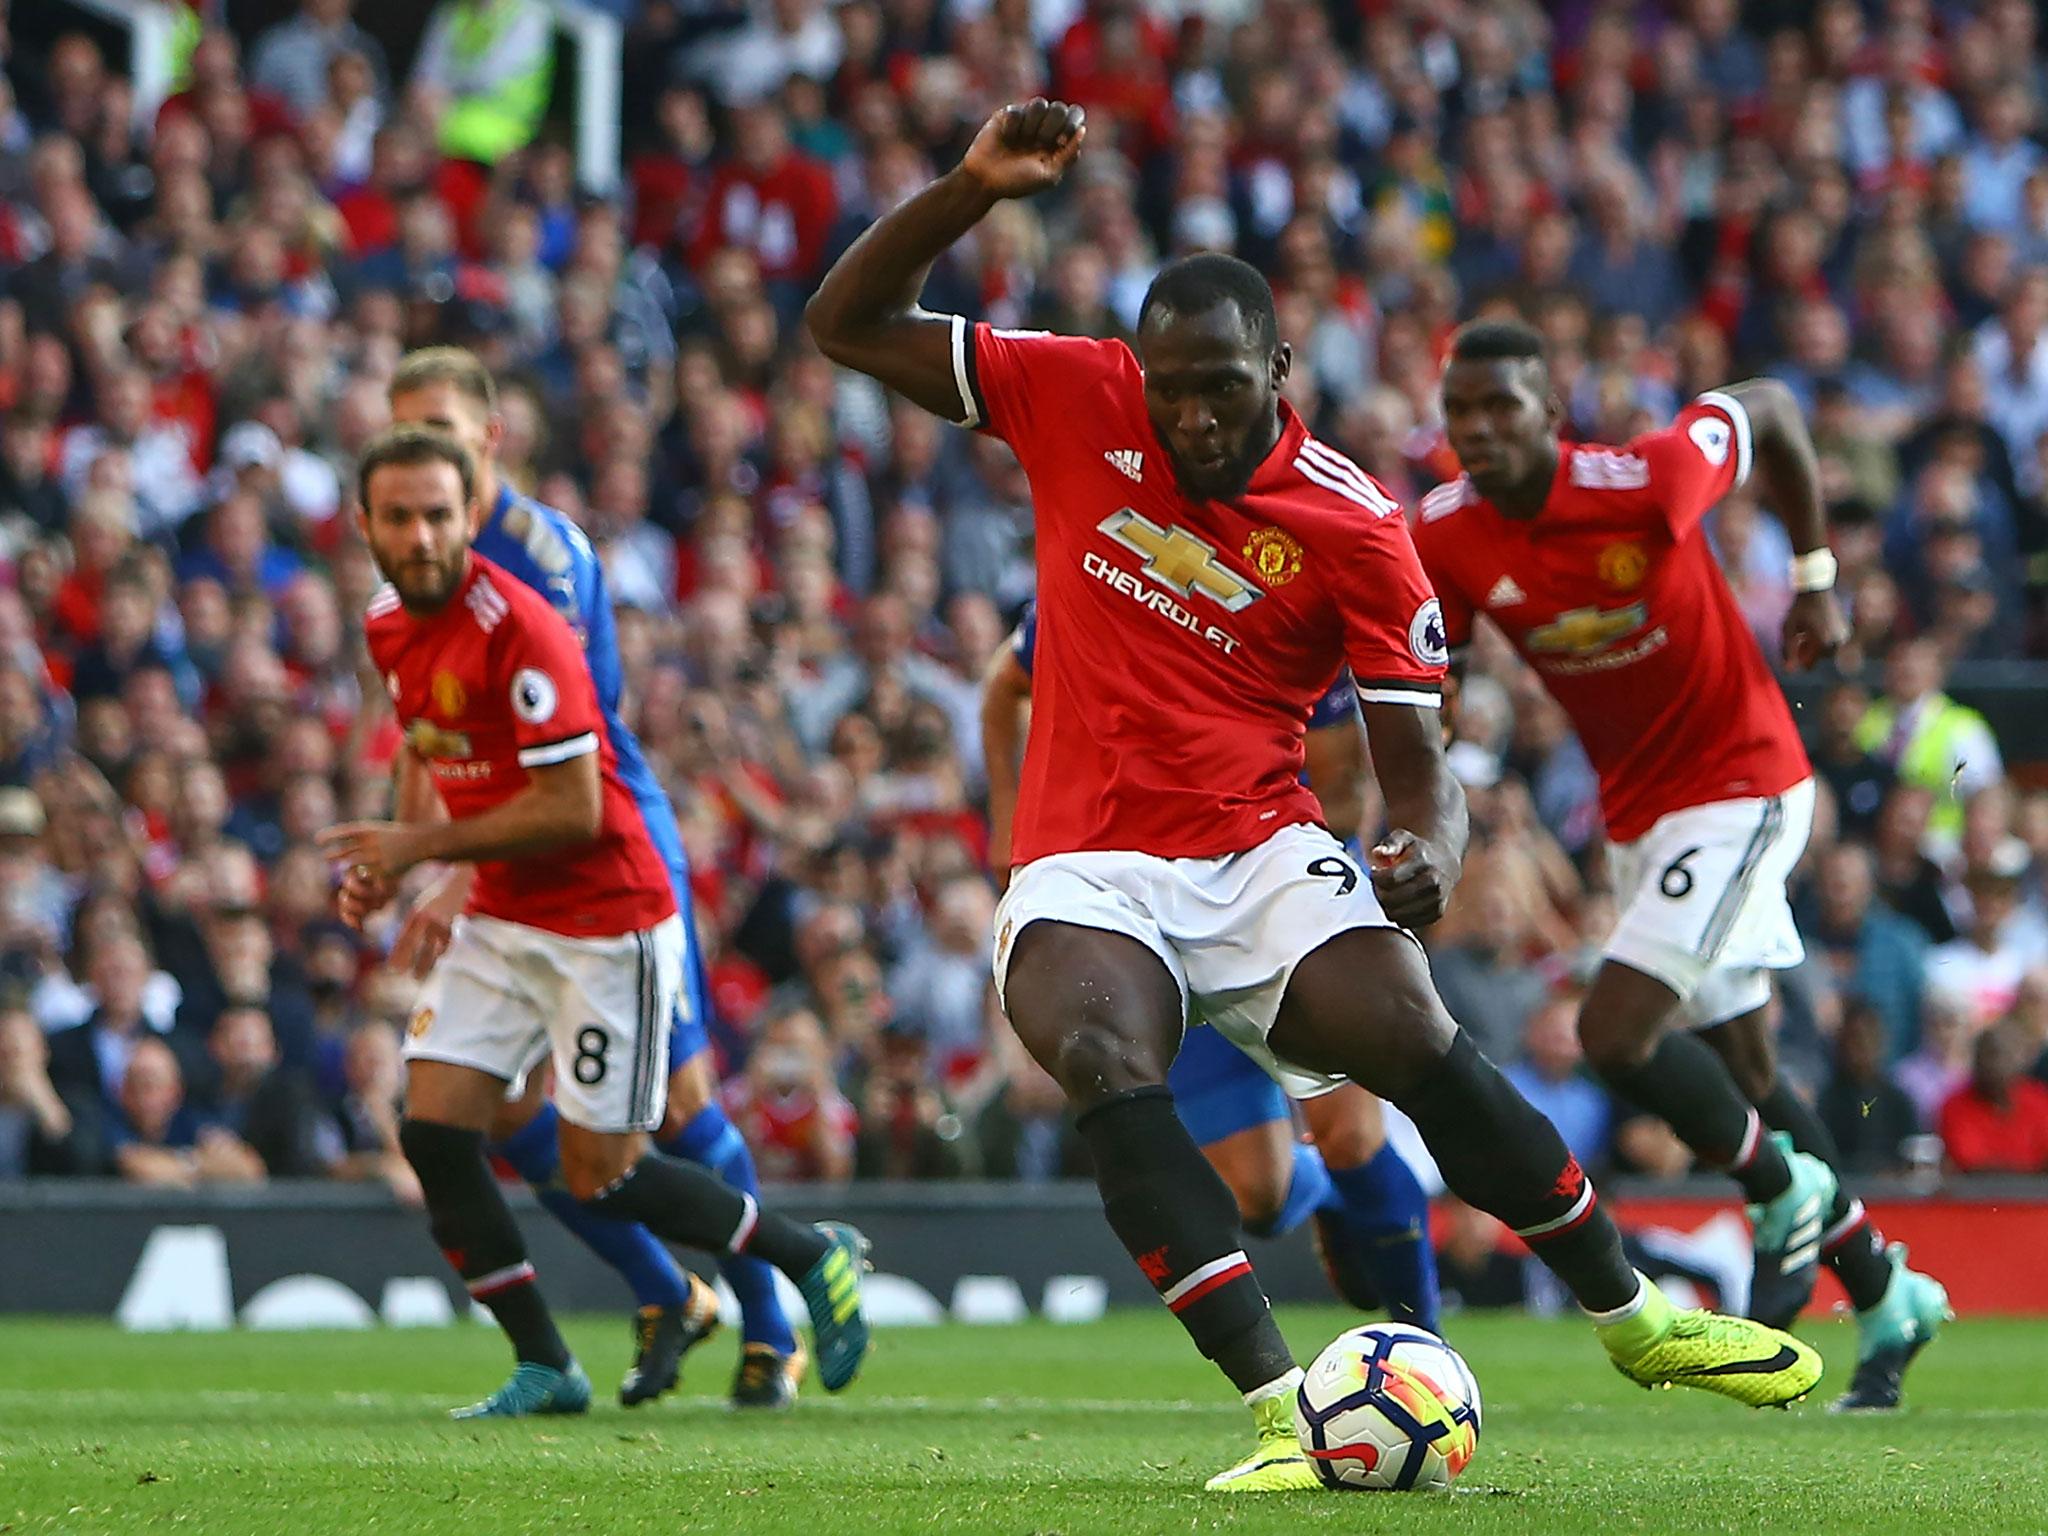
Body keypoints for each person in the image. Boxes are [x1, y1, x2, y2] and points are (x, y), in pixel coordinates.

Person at [807, 98, 1817, 1493]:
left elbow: (1423, 776)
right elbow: (844, 324)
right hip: (1085, 863)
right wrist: (969, 191)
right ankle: (1287, 1412)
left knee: (1410, 1035)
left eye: (1224, 386)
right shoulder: (1071, 391)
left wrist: (1425, 849)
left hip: (1257, 850)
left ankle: (1634, 1318)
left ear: (1280, 367)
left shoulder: (1355, 527)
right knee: (1102, 1062)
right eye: (1171, 389)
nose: (1193, 416)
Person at [1419, 316, 1950, 1412]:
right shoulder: (1446, 533)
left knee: (1614, 1033)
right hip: (1638, 818)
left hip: (1744, 783)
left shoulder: (1647, 477)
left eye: (1499, 408)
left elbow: (1775, 408)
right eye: (1458, 411)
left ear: (1548, 415)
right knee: (1745, 1076)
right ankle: (1884, 1286)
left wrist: (1812, 574)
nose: (1476, 430)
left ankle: (1776, 1187)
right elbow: (1440, 672)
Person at [322, 427, 870, 1418]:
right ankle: (546, 1364)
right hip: (502, 909)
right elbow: (435, 743)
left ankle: (806, 1254)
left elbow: (572, 809)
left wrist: (417, 852)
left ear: (468, 515)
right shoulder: (385, 623)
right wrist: (388, 861)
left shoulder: (522, 628)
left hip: (604, 921)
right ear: (363, 524)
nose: (419, 534)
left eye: (438, 514)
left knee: (604, 1177)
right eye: (396, 516)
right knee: (436, 1132)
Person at [982, 600, 1441, 1332]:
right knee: (1258, 1197)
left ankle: (1428, 1351)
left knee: (1352, 1132)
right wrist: (1008, 814)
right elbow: (1004, 684)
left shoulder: (1278, 604)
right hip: (1142, 907)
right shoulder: (1102, 583)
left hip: (1277, 885)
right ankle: (1319, 1193)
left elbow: (1343, 800)